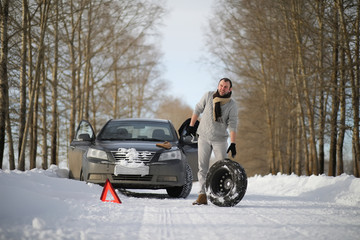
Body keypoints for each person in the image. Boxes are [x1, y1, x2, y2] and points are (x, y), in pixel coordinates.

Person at [187, 78, 238, 205]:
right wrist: (192, 125)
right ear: (218, 85)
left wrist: (233, 143)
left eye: (225, 87)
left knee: (223, 167)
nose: (222, 88)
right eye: (221, 85)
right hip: (203, 137)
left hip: (220, 140)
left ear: (230, 89)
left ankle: (222, 193)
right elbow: (198, 109)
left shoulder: (232, 105)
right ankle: (202, 195)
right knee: (202, 167)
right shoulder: (208, 96)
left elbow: (233, 125)